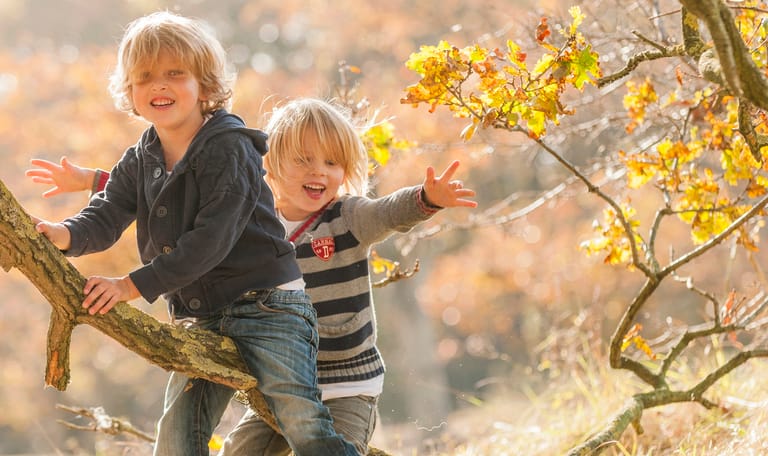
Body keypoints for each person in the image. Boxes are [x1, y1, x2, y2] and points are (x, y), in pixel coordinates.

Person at [27, 98, 477, 454]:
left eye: (331, 163)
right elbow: (175, 192)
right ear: (269, 166)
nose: (318, 171)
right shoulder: (252, 217)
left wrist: (425, 199)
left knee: (324, 442)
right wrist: (94, 180)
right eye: (303, 160)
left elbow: (387, 213)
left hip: (343, 383)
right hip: (275, 378)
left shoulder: (349, 216)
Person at [28, 12, 358, 456]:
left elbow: (210, 242)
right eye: (145, 77)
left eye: (174, 74)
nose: (158, 86)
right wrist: (64, 234)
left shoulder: (230, 147)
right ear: (130, 91)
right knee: (177, 436)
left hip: (267, 306)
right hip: (200, 316)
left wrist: (130, 285)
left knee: (302, 422)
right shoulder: (141, 157)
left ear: (204, 85)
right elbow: (107, 212)